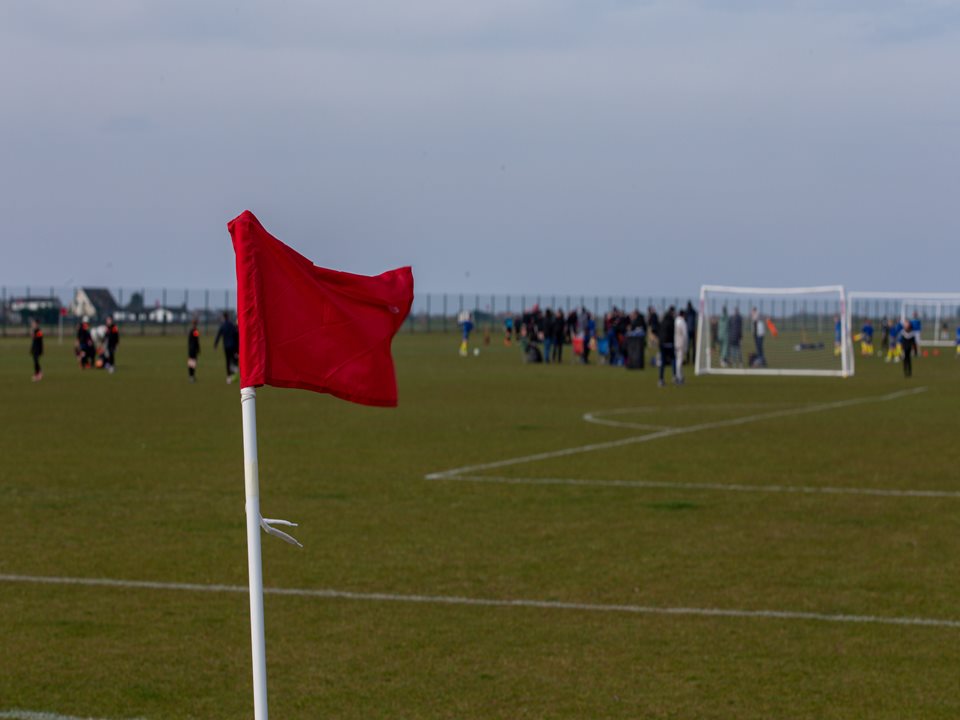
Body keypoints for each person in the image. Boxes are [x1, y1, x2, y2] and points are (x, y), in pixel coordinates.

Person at [214, 311, 240, 383]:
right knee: (233, 360)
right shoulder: (232, 325)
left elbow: (218, 335)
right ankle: (233, 374)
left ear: (223, 317)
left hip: (226, 346)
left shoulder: (222, 326)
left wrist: (215, 345)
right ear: (228, 317)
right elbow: (236, 335)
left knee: (228, 361)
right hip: (232, 346)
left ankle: (229, 377)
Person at [658, 306, 677, 387]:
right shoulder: (672, 321)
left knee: (663, 362)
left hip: (662, 343)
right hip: (669, 343)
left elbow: (659, 332)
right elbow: (673, 333)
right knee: (673, 359)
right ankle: (674, 376)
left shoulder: (663, 321)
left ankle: (661, 379)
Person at [674, 308, 687, 384]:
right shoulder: (682, 322)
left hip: (676, 343)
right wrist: (686, 346)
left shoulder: (675, 321)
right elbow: (685, 335)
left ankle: (678, 375)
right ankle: (679, 377)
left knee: (677, 360)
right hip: (681, 343)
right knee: (679, 361)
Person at [187, 318, 201, 383]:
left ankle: (191, 376)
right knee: (193, 363)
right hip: (194, 349)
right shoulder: (195, 331)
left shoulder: (190, 331)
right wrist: (198, 349)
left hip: (190, 349)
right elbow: (196, 340)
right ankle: (192, 376)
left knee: (190, 362)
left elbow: (189, 341)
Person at [30, 318, 44, 382]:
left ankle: (39, 373)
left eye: (34, 323)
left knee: (36, 361)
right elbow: (33, 338)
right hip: (34, 348)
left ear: (37, 324)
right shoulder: (35, 330)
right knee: (35, 361)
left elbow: (39, 338)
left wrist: (34, 334)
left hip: (38, 348)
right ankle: (37, 373)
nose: (33, 324)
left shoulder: (39, 331)